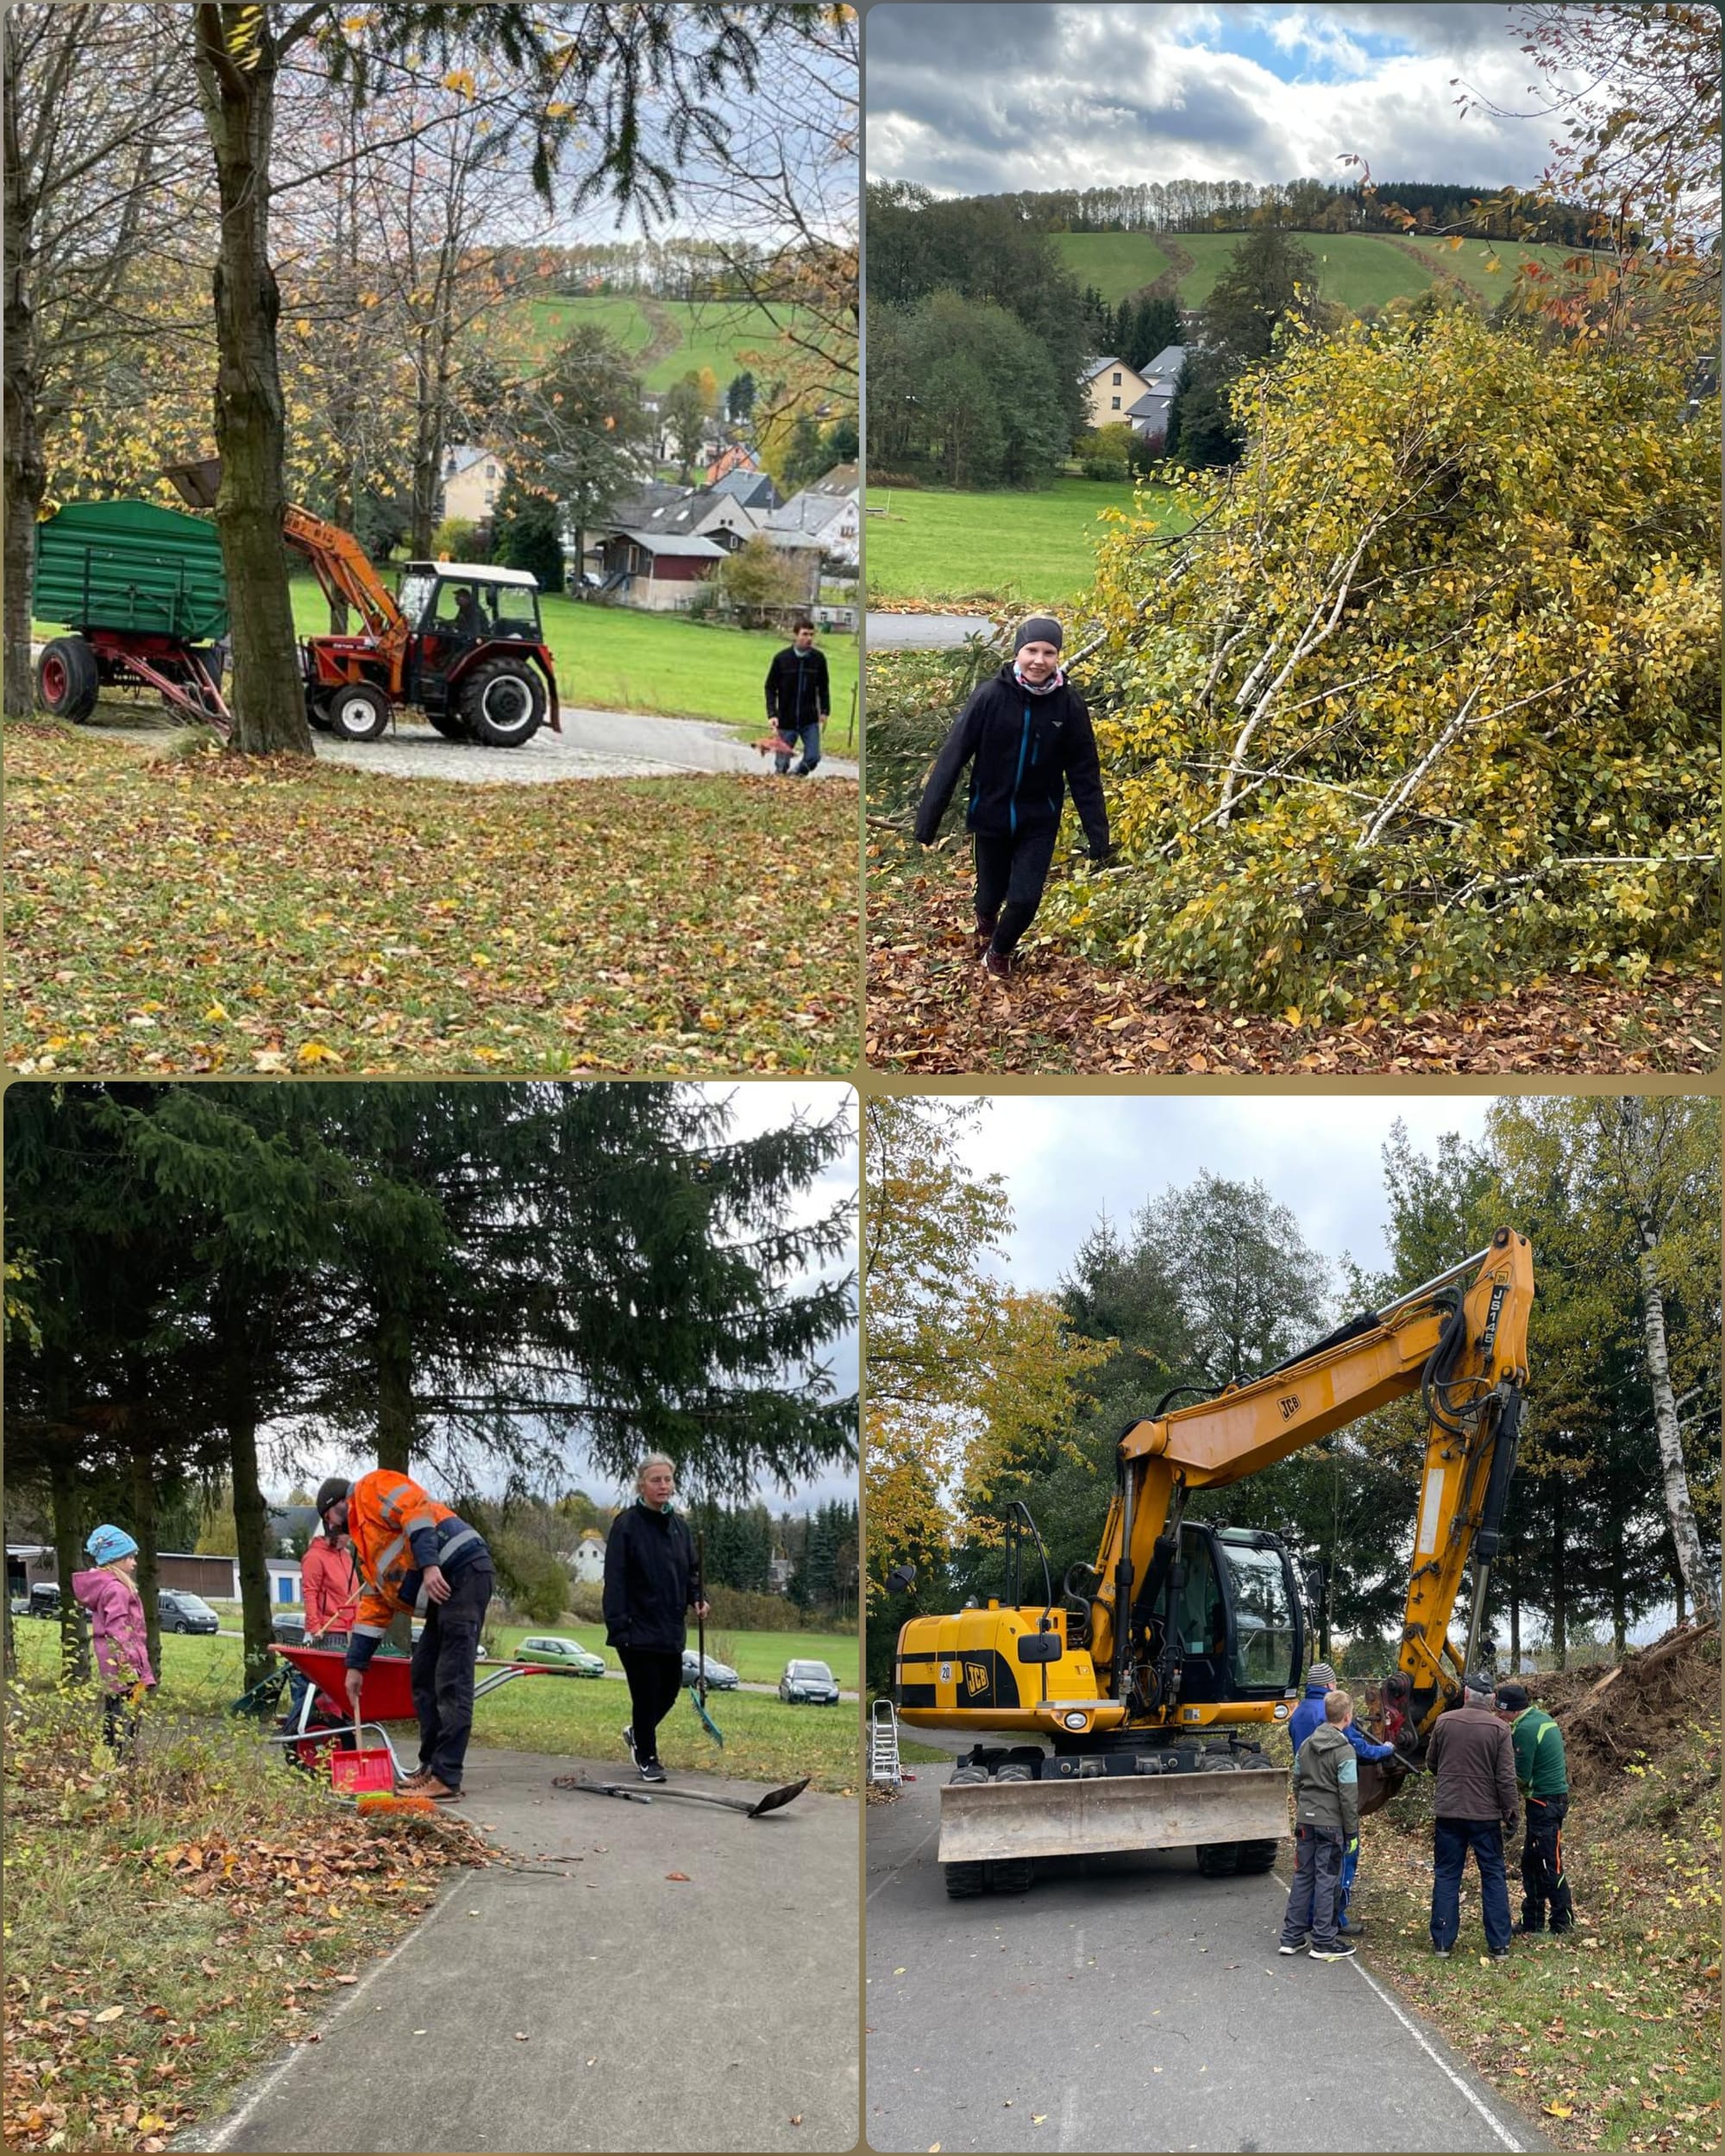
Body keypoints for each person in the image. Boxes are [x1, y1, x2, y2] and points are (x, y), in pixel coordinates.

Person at [913, 615, 1111, 979]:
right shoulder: (990, 697)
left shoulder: (1068, 706)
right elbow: (953, 756)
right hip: (991, 814)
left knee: (1024, 898)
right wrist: (928, 822)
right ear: (1017, 652)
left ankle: (999, 953)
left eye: (1048, 652)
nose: (1039, 660)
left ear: (1057, 656)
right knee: (989, 895)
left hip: (1040, 817)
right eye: (1031, 650)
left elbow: (1085, 773)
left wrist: (1098, 834)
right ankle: (986, 919)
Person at [315, 1472, 493, 1802]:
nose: (334, 1528)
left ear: (340, 1502)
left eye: (332, 1518)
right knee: (423, 1675)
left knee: (451, 1678)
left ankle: (446, 1776)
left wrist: (429, 1565)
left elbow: (416, 1509)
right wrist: (356, 1667)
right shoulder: (368, 1546)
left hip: (462, 1569)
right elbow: (375, 1607)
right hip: (444, 1587)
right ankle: (429, 1767)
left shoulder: (371, 1487)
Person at [602, 1453, 710, 1783]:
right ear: (642, 1485)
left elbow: (692, 1570)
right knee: (645, 1693)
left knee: (669, 1691)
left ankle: (637, 1732)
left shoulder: (680, 1527)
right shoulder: (627, 1525)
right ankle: (647, 1756)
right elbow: (615, 1578)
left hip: (669, 1626)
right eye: (656, 1480)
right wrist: (619, 1626)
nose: (663, 1486)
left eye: (668, 1480)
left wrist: (697, 1597)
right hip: (635, 1626)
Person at [1287, 1660, 1397, 1936]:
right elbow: (1357, 1749)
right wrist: (1385, 1750)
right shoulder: (1328, 1715)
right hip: (1333, 1805)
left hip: (1308, 1803)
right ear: (1328, 1685)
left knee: (1308, 1868)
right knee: (1340, 1862)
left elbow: (1298, 1770)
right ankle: (1335, 1920)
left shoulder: (1297, 1715)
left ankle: (1305, 1922)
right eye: (1334, 1683)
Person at [1426, 1674, 1519, 1959]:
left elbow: (1432, 1763)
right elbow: (1505, 1778)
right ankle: (1499, 1943)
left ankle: (1442, 1942)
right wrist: (1511, 1812)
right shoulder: (1500, 1729)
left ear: (1466, 1695)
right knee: (1492, 1875)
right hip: (1485, 1816)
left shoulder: (1443, 1722)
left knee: (1446, 1874)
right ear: (1492, 1700)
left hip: (1449, 1812)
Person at [1277, 1689, 1359, 1961]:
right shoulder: (1345, 1751)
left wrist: (1305, 1809)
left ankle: (1291, 1937)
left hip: (1305, 1821)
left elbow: (1297, 1783)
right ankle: (1323, 1940)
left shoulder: (1306, 1745)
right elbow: (1348, 1796)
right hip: (1331, 1825)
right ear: (1347, 1717)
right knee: (1328, 1880)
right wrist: (1352, 1831)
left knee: (1303, 1876)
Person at [1495, 1681, 1573, 1935]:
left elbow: (1519, 1776)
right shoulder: (1540, 1718)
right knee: (1530, 1862)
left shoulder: (1526, 1730)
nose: (1498, 1716)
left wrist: (1495, 1788)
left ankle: (1563, 1923)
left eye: (1501, 1711)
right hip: (1546, 1801)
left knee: (1549, 1863)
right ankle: (1533, 1921)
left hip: (1545, 1803)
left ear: (1513, 1710)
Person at [71, 1525, 155, 1756]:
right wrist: (133, 1666)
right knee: (126, 1716)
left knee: (115, 1712)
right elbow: (120, 1631)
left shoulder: (110, 1587)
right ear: (115, 1559)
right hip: (126, 1668)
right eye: (130, 1557)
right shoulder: (116, 1590)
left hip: (115, 1667)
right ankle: (120, 1761)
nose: (134, 1563)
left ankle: (111, 1759)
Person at [282, 1517, 360, 1728]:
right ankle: (298, 1729)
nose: (349, 1540)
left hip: (348, 1630)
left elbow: (352, 1593)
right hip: (327, 1631)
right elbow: (310, 1593)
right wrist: (315, 1626)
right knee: (319, 1687)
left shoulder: (345, 1556)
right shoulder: (314, 1557)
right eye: (346, 1535)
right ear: (334, 1533)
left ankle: (339, 1732)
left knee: (340, 1689)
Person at [764, 618, 830, 775]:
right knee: (782, 765)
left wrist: (825, 711)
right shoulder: (782, 659)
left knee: (813, 757)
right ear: (795, 635)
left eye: (811, 635)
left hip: (809, 719)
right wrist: (772, 714)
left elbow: (823, 687)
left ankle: (795, 777)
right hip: (786, 720)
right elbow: (770, 687)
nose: (808, 638)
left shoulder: (818, 659)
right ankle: (781, 788)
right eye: (804, 634)